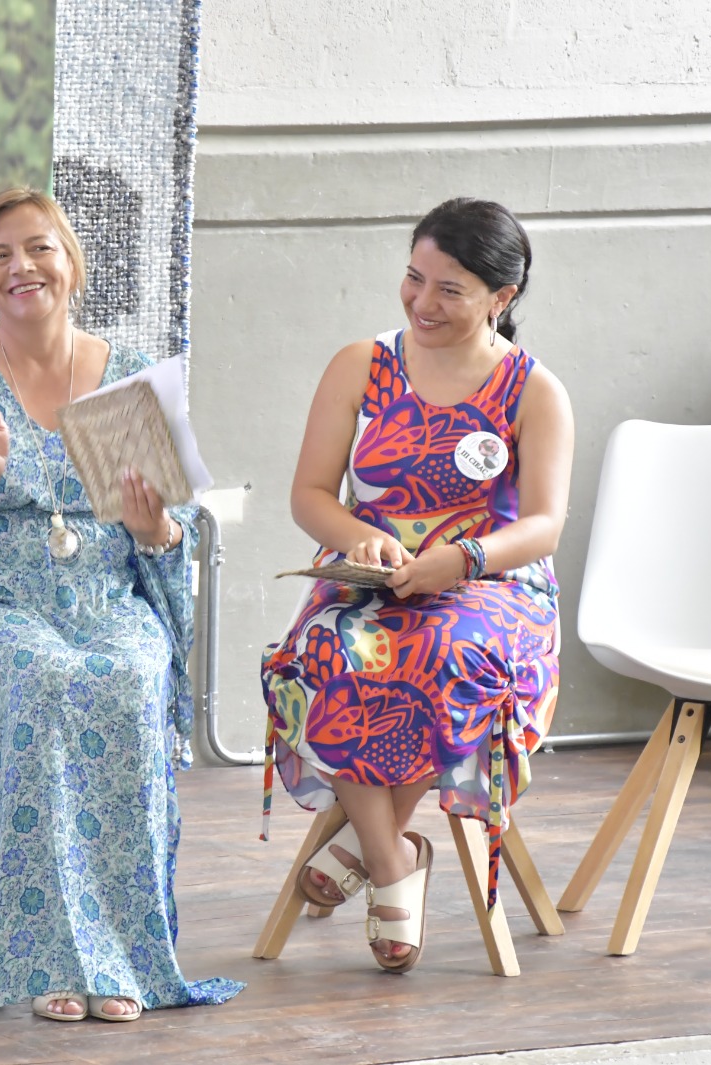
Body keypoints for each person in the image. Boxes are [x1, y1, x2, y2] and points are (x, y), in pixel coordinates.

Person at [0, 188, 244, 1021]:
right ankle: (48, 955)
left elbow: (170, 526)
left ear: (72, 265)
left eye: (39, 248)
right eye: (0, 256)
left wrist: (155, 526)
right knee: (43, 679)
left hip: (105, 595)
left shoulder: (124, 379)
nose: (22, 268)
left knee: (125, 673)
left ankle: (118, 958)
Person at [261, 197, 574, 973]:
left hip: (492, 588)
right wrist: (358, 536)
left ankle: (364, 842)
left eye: (450, 289)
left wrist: (462, 559)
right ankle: (394, 855)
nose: (422, 303)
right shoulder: (361, 365)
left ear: (503, 298)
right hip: (373, 580)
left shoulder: (535, 391)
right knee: (334, 647)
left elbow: (543, 526)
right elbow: (309, 494)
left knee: (442, 653)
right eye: (414, 278)